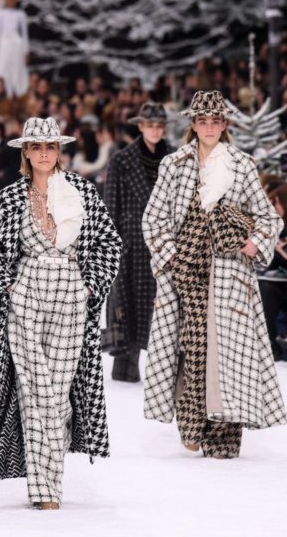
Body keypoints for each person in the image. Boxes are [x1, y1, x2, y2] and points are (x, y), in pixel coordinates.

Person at [0, 116, 122, 510]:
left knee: (58, 394)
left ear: (58, 151)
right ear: (26, 152)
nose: (44, 154)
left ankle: (47, 476)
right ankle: (45, 491)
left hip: (71, 298)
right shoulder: (10, 197)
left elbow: (109, 243)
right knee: (35, 392)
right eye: (37, 147)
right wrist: (6, 289)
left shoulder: (82, 191)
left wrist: (89, 286)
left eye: (50, 147)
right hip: (26, 298)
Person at [141, 91, 287, 458]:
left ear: (224, 124)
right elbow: (153, 218)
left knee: (229, 352)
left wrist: (254, 243)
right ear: (193, 124)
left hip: (230, 270)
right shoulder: (174, 164)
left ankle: (223, 437)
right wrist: (171, 258)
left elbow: (269, 217)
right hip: (187, 268)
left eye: (215, 121)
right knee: (194, 347)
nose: (209, 127)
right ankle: (193, 423)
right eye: (203, 121)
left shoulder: (241, 165)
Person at [103, 102, 172, 382]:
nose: (154, 130)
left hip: (164, 244)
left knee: (164, 308)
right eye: (149, 125)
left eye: (159, 125)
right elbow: (111, 207)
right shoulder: (121, 161)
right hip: (131, 244)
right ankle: (125, 368)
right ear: (140, 126)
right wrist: (113, 245)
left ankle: (164, 375)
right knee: (127, 304)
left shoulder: (175, 159)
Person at [0, 0, 30, 97]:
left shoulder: (21, 14)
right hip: (3, 44)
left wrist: (26, 51)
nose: (10, 1)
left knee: (16, 68)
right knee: (2, 67)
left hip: (16, 45)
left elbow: (24, 34)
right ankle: (0, 91)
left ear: (15, 1)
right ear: (5, 0)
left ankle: (18, 92)